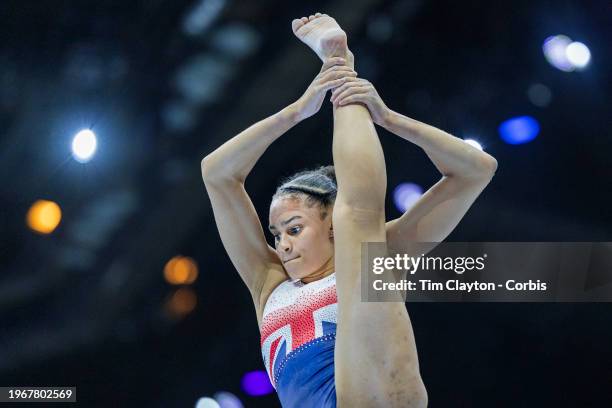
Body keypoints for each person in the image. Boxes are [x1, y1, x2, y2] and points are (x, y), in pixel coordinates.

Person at [201, 13, 497, 408]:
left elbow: (476, 169)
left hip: (378, 394)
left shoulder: (386, 251)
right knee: (363, 235)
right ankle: (340, 70)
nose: (282, 245)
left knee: (365, 241)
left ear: (330, 229)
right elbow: (216, 174)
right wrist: (296, 112)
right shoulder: (268, 283)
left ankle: (340, 63)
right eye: (276, 234)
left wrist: (388, 118)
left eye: (293, 228)